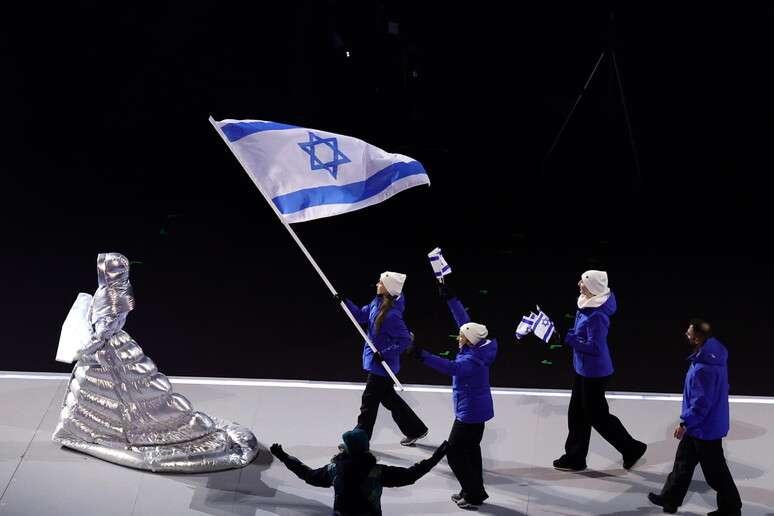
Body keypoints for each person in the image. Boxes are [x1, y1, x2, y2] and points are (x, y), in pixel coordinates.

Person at [407, 279, 497, 510]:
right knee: (471, 451)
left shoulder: (471, 361)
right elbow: (464, 322)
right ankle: (473, 490)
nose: (458, 338)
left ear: (469, 341)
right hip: (476, 410)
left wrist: (421, 354)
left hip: (469, 414)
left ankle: (474, 494)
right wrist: (451, 299)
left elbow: (449, 367)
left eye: (461, 337)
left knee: (455, 454)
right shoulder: (478, 347)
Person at [553, 270, 647, 472]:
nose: (579, 284)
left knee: (598, 417)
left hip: (595, 373)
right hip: (583, 369)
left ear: (592, 287)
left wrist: (569, 340)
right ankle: (575, 457)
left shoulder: (597, 315)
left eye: (583, 282)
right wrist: (564, 335)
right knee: (576, 413)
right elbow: (580, 334)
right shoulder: (586, 305)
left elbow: (595, 347)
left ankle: (632, 448)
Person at [648, 319, 742, 515]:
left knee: (716, 472)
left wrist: (684, 423)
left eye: (689, 333)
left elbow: (701, 404)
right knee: (683, 463)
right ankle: (670, 499)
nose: (686, 334)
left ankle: (731, 508)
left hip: (705, 428)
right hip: (702, 425)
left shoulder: (703, 369)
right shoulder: (713, 355)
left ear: (698, 338)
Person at [336, 271, 428, 445]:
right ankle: (416, 429)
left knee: (368, 405)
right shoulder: (376, 302)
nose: (377, 284)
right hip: (378, 362)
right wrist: (345, 302)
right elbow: (361, 316)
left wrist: (385, 353)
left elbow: (405, 339)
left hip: (383, 366)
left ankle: (358, 442)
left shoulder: (392, 315)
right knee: (389, 399)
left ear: (388, 288)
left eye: (381, 283)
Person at [270, 429, 448, 515]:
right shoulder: (377, 472)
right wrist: (436, 456)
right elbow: (411, 475)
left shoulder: (334, 470)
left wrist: (284, 457)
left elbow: (308, 475)